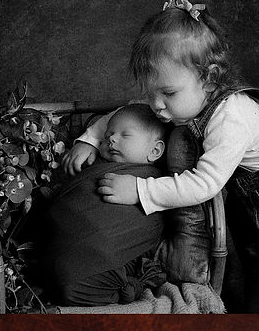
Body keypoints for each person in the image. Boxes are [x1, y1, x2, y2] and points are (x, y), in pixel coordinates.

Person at [64, 0, 259, 314]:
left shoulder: (231, 117)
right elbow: (130, 113)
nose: (156, 105)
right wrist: (90, 139)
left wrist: (140, 190)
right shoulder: (181, 100)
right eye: (152, 93)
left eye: (168, 94)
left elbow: (204, 184)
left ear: (209, 77)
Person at [41, 104, 168, 305]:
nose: (112, 139)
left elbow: (145, 225)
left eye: (125, 135)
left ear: (155, 150)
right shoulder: (95, 164)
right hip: (69, 244)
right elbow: (73, 199)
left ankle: (118, 282)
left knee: (78, 279)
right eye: (108, 134)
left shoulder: (158, 185)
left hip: (107, 252)